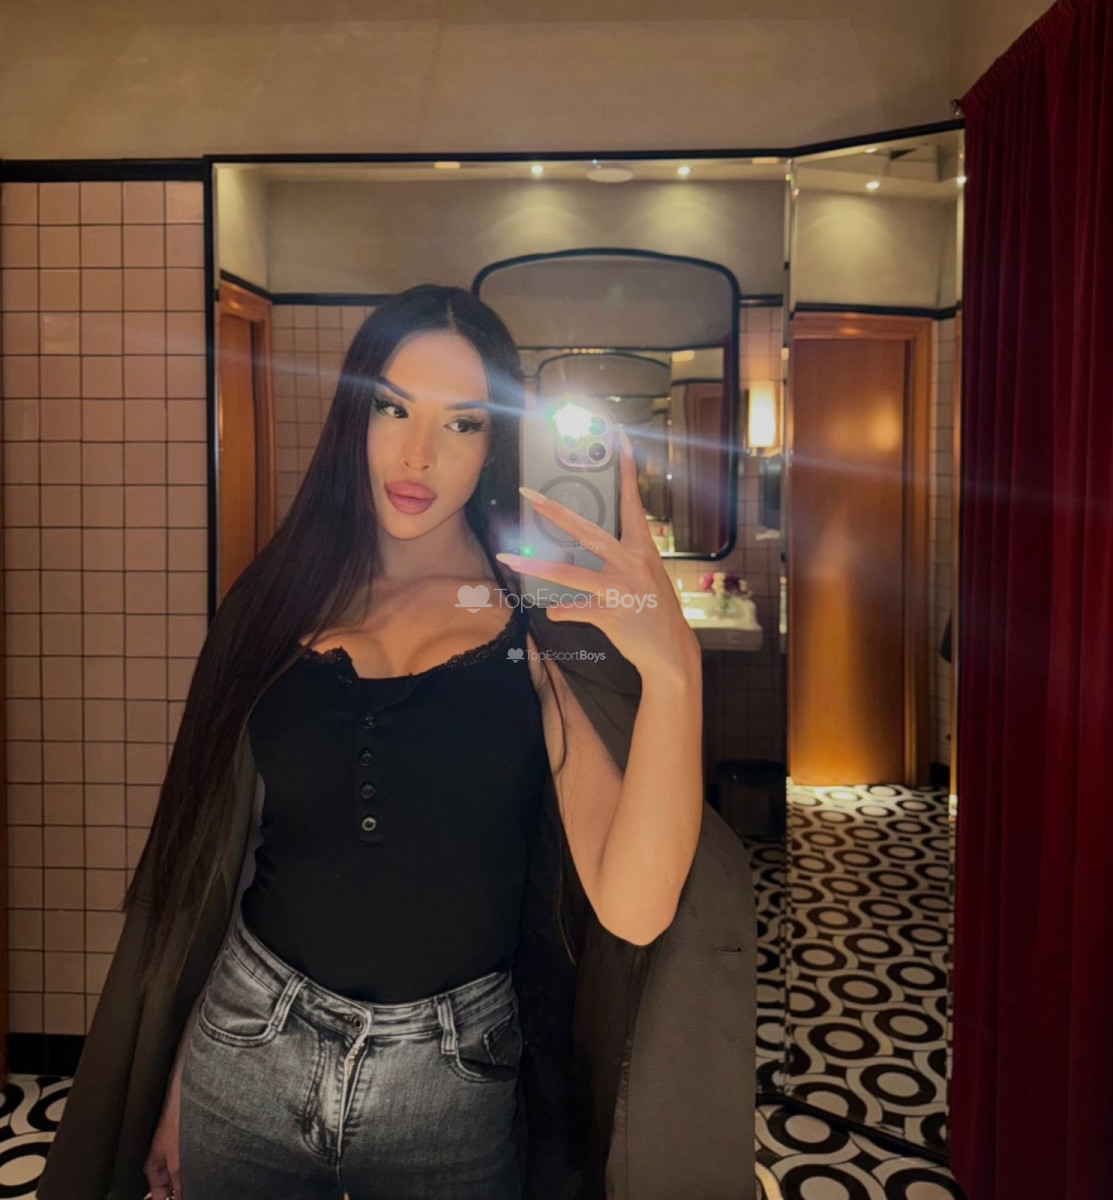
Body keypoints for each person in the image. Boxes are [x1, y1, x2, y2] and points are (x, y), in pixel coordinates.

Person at [38, 283, 753, 1200]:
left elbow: (635, 908)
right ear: (353, 415)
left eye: (462, 423)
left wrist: (673, 670)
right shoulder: (272, 606)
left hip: (449, 1086)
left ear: (495, 443)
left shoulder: (539, 628)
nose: (418, 455)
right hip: (245, 1046)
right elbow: (218, 869)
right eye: (391, 408)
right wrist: (182, 1074)